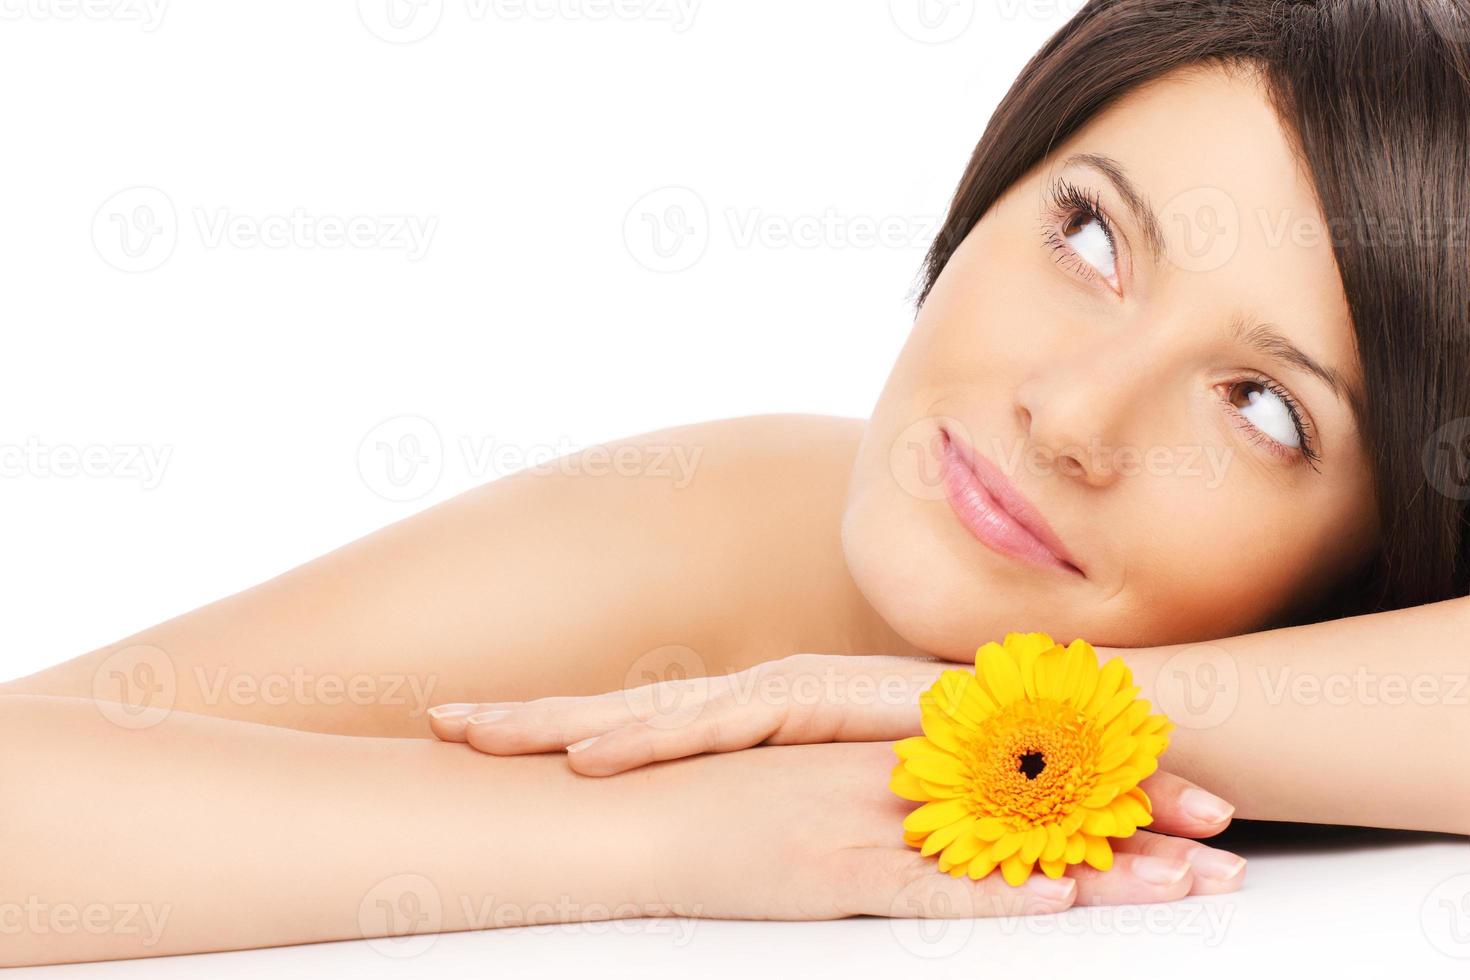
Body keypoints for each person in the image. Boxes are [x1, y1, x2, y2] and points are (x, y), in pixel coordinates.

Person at [4, 0, 1468, 966]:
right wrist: (659, 830)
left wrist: (1047, 721)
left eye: (1264, 408)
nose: (1071, 413)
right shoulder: (735, 525)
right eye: (1086, 237)